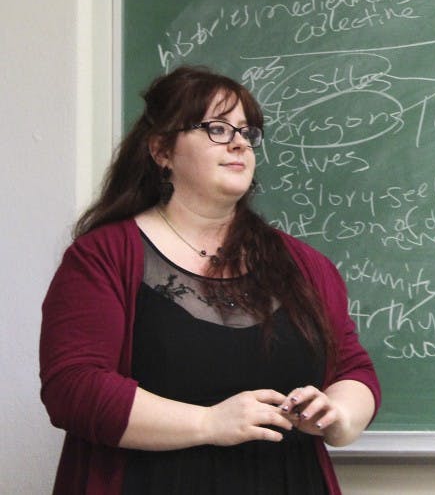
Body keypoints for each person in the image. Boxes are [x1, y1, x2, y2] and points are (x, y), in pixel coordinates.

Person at [40, 65, 380, 495]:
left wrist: (337, 416)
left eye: (247, 132)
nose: (239, 143)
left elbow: (353, 370)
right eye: (217, 129)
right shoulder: (103, 256)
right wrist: (208, 422)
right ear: (162, 150)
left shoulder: (305, 265)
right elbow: (74, 387)